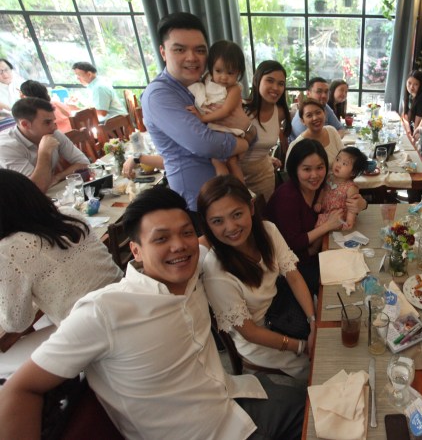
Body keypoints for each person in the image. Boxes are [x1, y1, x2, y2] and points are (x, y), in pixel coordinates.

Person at [0, 186, 305, 439]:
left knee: (316, 401)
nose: (179, 246)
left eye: (186, 233)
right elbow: (20, 389)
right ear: (135, 250)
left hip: (234, 400)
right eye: (161, 238)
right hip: (202, 432)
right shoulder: (103, 312)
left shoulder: (193, 272)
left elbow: (212, 238)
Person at [199, 175, 316, 379]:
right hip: (263, 340)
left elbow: (294, 277)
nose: (231, 227)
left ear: (251, 208)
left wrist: (313, 321)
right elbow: (250, 332)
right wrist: (301, 346)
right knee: (324, 367)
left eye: (237, 214)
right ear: (207, 225)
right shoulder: (216, 271)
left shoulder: (268, 231)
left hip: (287, 309)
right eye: (217, 221)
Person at [140, 12, 256, 211]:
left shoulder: (207, 85)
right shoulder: (159, 95)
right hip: (197, 202)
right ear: (163, 52)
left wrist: (248, 130)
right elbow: (206, 144)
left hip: (226, 199)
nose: (192, 58)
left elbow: (250, 130)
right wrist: (245, 140)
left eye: (200, 50)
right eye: (180, 49)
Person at [0, 169, 122, 333]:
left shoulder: (8, 250)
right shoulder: (70, 214)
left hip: (93, 330)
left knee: (15, 349)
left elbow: (15, 323)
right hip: (125, 300)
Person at [266, 139, 366, 293]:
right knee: (346, 284)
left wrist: (362, 204)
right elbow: (294, 244)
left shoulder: (321, 185)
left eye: (320, 167)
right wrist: (327, 226)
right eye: (307, 169)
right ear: (295, 168)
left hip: (318, 251)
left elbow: (346, 199)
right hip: (292, 267)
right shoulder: (287, 198)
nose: (314, 175)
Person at [186, 40, 251, 181]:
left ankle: (235, 190)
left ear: (238, 73)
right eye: (218, 71)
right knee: (225, 162)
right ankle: (233, 189)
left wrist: (202, 118)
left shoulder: (234, 89)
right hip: (216, 128)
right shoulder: (207, 79)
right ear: (211, 68)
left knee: (225, 162)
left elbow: (226, 111)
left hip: (228, 130)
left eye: (230, 72)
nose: (224, 77)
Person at [0, 97, 88, 193]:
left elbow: (83, 162)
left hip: (47, 193)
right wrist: (44, 152)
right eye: (47, 122)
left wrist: (58, 177)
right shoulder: (6, 147)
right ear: (25, 124)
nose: (54, 127)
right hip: (18, 198)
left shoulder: (53, 133)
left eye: (53, 121)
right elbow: (35, 188)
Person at [241, 60, 292, 202]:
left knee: (266, 214)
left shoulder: (280, 112)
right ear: (256, 81)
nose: (275, 88)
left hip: (264, 177)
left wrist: (268, 157)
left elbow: (261, 144)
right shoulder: (241, 109)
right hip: (238, 177)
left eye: (281, 84)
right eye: (270, 80)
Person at [314, 147, 367, 231]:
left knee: (319, 224)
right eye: (337, 159)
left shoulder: (351, 188)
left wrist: (349, 221)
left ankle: (318, 240)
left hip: (339, 217)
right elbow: (323, 190)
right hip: (325, 212)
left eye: (344, 164)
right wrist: (318, 202)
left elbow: (352, 207)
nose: (338, 165)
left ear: (353, 172)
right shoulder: (329, 177)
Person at [287, 99, 344, 166]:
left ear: (324, 114)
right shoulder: (297, 145)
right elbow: (289, 171)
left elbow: (344, 158)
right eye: (309, 115)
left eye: (318, 113)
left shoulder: (332, 131)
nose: (315, 118)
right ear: (302, 121)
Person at [401, 70, 422, 138]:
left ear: (420, 85)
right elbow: (405, 116)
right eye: (409, 83)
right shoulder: (409, 95)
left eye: (416, 84)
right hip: (409, 129)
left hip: (418, 133)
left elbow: (417, 124)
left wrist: (411, 137)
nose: (411, 87)